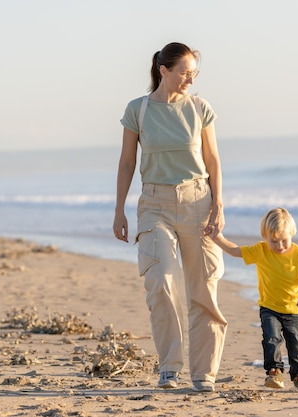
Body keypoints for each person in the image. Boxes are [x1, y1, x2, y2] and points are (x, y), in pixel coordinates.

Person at [113, 42, 227, 392]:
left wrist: (219, 205)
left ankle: (203, 374)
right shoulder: (139, 110)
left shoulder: (199, 108)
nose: (190, 79)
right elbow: (128, 162)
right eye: (184, 72)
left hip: (198, 201)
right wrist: (119, 209)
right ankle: (169, 368)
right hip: (155, 203)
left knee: (203, 288)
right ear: (164, 70)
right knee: (160, 281)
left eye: (194, 73)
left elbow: (212, 161)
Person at [208, 207, 298, 393]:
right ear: (265, 237)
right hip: (269, 307)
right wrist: (217, 238)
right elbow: (236, 251)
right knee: (271, 339)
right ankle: (274, 372)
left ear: (292, 234)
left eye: (284, 240)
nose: (280, 245)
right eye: (274, 241)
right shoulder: (260, 250)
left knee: (296, 345)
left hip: (295, 310)